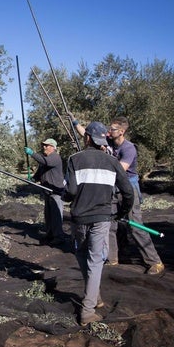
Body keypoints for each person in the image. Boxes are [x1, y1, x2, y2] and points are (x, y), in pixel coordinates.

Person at [69, 114, 165, 275]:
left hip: (128, 188)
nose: (108, 131)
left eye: (112, 129)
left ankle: (155, 262)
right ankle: (112, 258)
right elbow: (87, 133)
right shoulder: (109, 142)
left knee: (136, 226)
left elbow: (119, 170)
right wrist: (74, 122)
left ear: (121, 131)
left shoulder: (128, 148)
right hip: (112, 188)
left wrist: (100, 156)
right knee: (110, 224)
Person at [63, 122, 134, 326]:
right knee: (95, 262)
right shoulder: (112, 162)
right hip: (102, 217)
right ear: (102, 140)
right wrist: (120, 212)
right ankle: (90, 305)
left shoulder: (74, 159)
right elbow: (128, 193)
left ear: (87, 139)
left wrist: (63, 193)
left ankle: (91, 304)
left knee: (83, 257)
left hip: (79, 218)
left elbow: (71, 193)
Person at [25, 139, 66, 245]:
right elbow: (39, 174)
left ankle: (59, 237)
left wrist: (32, 154)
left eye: (47, 145)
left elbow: (45, 162)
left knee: (56, 216)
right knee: (48, 215)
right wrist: (32, 180)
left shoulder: (54, 157)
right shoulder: (45, 161)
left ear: (53, 147)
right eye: (43, 145)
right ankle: (50, 235)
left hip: (56, 191)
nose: (44, 147)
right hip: (47, 192)